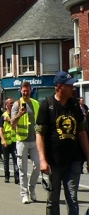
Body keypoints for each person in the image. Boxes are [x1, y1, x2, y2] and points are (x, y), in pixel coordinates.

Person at [36, 71, 89, 215]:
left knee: (72, 198)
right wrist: (42, 160)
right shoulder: (47, 105)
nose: (72, 88)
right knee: (53, 200)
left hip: (73, 160)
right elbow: (39, 134)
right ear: (59, 87)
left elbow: (82, 132)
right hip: (53, 162)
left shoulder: (74, 104)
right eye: (69, 85)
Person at [10, 80, 41, 204]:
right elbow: (12, 123)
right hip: (21, 141)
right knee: (22, 170)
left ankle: (31, 189)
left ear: (31, 90)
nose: (26, 93)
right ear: (20, 91)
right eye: (23, 91)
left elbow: (40, 121)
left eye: (27, 91)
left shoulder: (35, 103)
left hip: (34, 140)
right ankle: (24, 194)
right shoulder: (17, 105)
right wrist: (19, 115)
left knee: (38, 166)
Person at [0, 98, 19, 184]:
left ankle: (16, 176)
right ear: (6, 104)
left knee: (16, 160)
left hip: (14, 141)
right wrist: (3, 140)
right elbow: (0, 130)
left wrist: (10, 120)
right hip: (6, 142)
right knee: (6, 160)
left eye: (13, 103)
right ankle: (7, 176)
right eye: (10, 103)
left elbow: (16, 126)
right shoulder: (3, 116)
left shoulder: (15, 115)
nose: (12, 104)